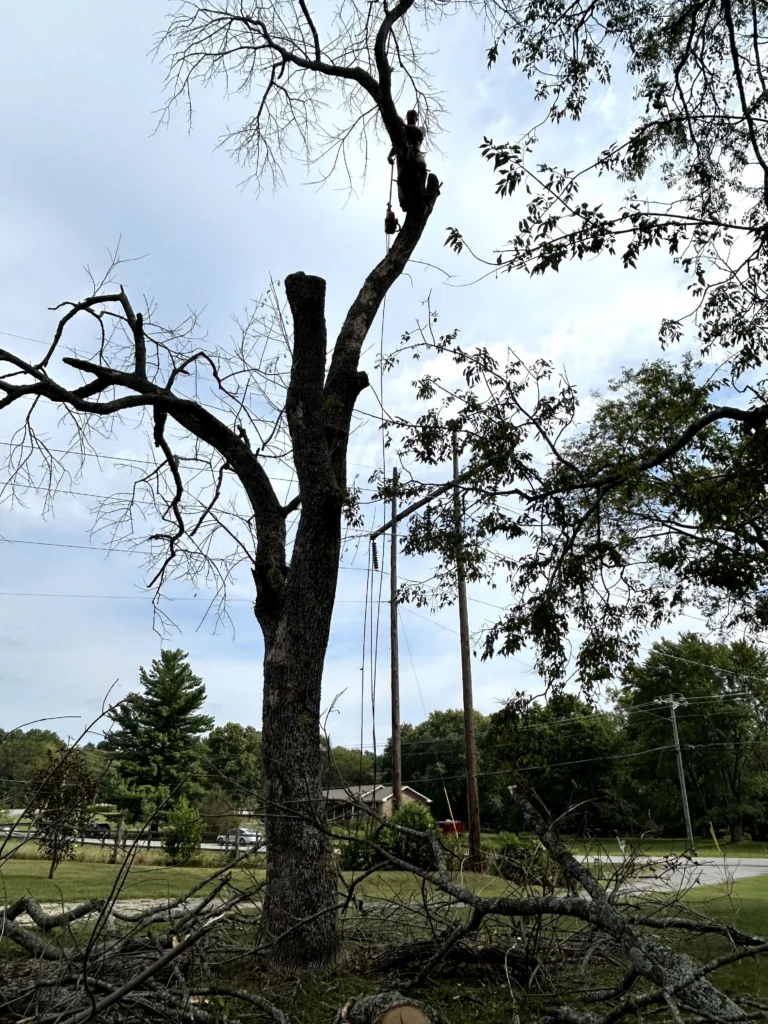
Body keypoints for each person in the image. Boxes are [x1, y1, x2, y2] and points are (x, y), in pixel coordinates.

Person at [388, 109, 428, 212]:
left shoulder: (420, 128)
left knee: (422, 166)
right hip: (402, 158)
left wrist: (404, 126)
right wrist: (389, 156)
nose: (410, 120)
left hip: (415, 152)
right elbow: (396, 146)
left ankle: (423, 191)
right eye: (409, 118)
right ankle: (403, 199)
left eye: (412, 118)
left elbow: (418, 132)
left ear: (416, 119)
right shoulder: (402, 132)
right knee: (401, 177)